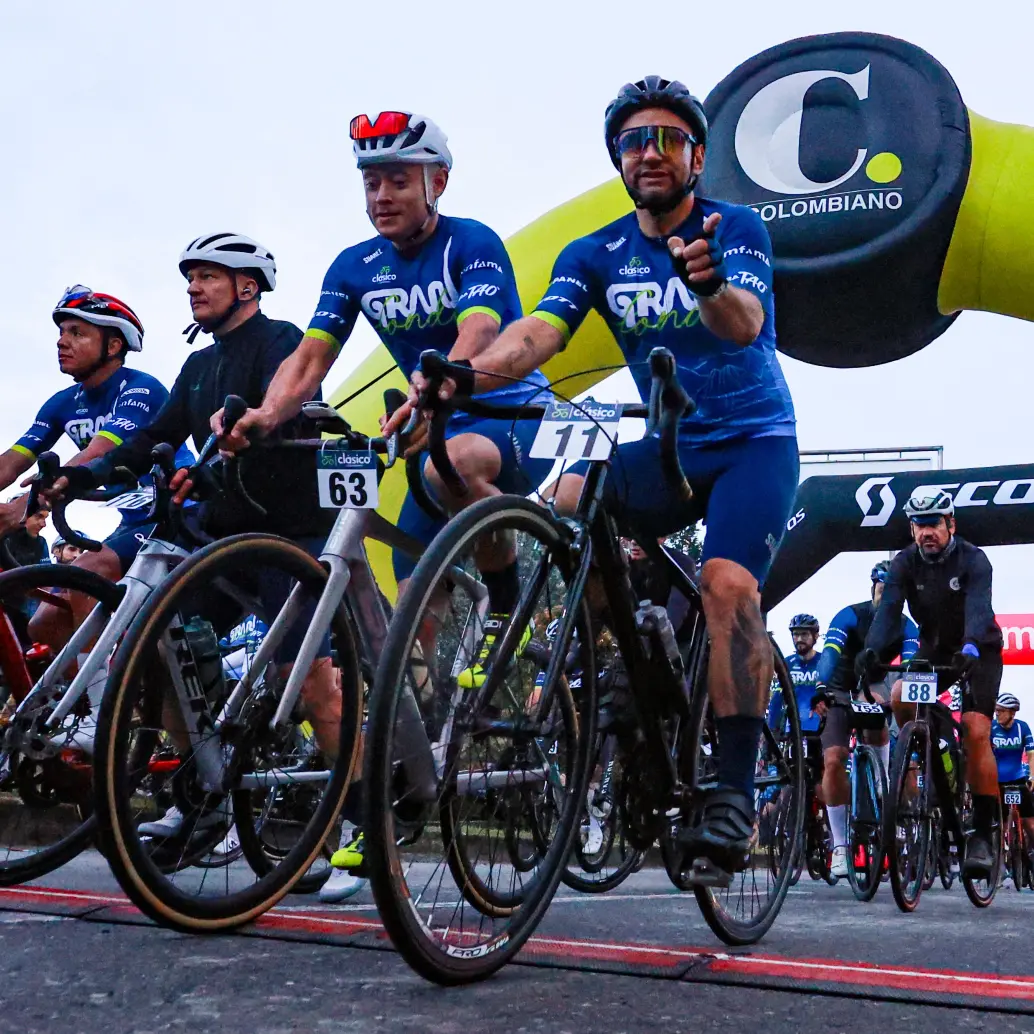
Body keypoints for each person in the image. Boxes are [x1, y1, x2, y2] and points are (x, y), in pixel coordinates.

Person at [404, 77, 799, 879]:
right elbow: (535, 338)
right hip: (670, 448)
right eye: (632, 142)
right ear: (619, 160)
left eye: (666, 139)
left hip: (753, 444)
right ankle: (625, 660)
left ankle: (728, 791)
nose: (648, 153)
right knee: (566, 500)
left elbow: (745, 326)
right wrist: (464, 378)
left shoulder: (736, 228)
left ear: (695, 154)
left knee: (727, 586)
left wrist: (709, 282)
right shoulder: (595, 252)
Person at [211, 112, 555, 901]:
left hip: (498, 420)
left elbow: (480, 326)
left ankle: (505, 599)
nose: (382, 194)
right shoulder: (355, 264)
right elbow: (310, 356)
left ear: (438, 181)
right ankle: (391, 797)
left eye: (399, 178)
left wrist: (442, 385)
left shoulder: (472, 242)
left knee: (454, 465)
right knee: (401, 636)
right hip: (416, 428)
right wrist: (268, 416)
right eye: (371, 181)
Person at [43, 235, 341, 842]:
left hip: (290, 534)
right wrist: (85, 473)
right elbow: (157, 432)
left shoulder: (280, 341)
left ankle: (359, 818)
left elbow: (291, 406)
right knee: (160, 641)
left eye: (207, 276)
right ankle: (205, 790)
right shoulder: (199, 365)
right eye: (190, 279)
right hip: (226, 539)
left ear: (247, 286)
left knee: (306, 681)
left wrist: (248, 428)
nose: (193, 288)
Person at [0, 287, 182, 641]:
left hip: (175, 513)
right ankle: (106, 691)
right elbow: (11, 462)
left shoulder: (141, 388)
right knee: (44, 627)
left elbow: (97, 452)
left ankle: (106, 697)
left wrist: (27, 505)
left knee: (90, 572)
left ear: (113, 346)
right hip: (131, 522)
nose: (61, 342)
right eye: (61, 332)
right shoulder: (62, 403)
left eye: (77, 333)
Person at [860, 489, 1003, 876]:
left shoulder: (974, 559)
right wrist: (872, 649)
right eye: (919, 525)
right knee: (899, 697)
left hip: (979, 650)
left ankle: (983, 834)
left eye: (934, 524)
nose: (926, 532)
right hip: (936, 649)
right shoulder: (904, 562)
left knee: (975, 731)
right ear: (911, 528)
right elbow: (889, 610)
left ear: (950, 524)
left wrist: (972, 645)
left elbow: (978, 607)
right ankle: (936, 748)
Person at [811, 562, 919, 878]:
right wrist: (821, 686)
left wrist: (903, 686)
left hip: (872, 689)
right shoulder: (851, 615)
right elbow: (829, 653)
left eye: (893, 594)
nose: (886, 598)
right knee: (833, 759)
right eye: (881, 590)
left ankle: (885, 784)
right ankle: (841, 847)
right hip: (840, 688)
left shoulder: (906, 626)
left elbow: (910, 663)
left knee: (878, 728)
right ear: (872, 588)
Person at [991, 692, 1034, 879]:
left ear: (1012, 713)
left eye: (1001, 711)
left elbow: (1031, 755)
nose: (997, 714)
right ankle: (999, 862)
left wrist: (1032, 775)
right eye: (996, 710)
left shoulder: (1022, 727)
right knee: (1000, 824)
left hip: (1018, 777)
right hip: (997, 779)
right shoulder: (991, 728)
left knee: (1029, 823)